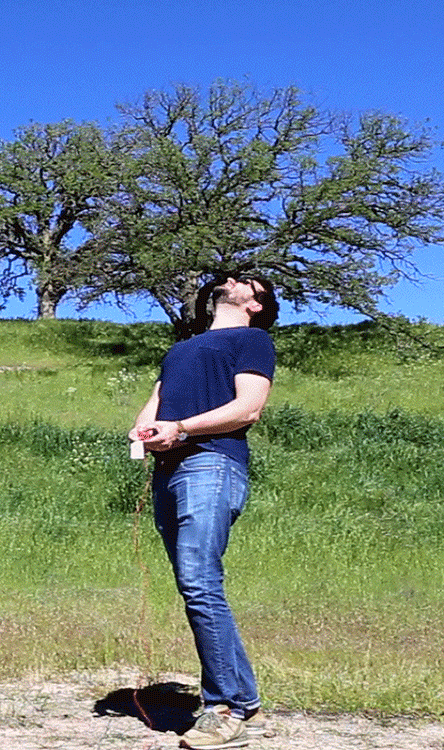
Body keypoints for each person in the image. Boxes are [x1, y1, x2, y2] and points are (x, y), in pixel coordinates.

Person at [128, 276, 279, 749]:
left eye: (245, 282)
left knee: (199, 581)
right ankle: (245, 700)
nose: (231, 280)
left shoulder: (253, 340)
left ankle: (224, 709)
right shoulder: (180, 350)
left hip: (211, 463)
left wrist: (181, 428)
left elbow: (248, 408)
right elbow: (155, 404)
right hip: (168, 471)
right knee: (196, 583)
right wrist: (143, 430)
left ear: (255, 304)